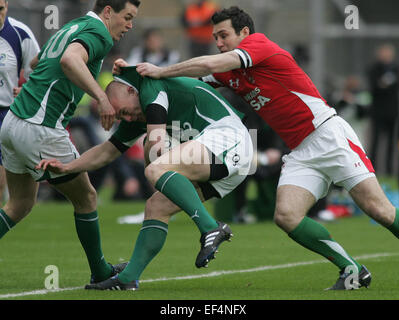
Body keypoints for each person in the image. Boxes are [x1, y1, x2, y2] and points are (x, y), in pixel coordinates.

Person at [122, 6, 399, 290]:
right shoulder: (229, 72)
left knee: (380, 211)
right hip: (301, 151)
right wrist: (130, 75)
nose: (219, 42)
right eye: (215, 37)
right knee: (286, 216)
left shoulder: (258, 44)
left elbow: (206, 65)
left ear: (244, 33)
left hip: (328, 135)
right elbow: (185, 82)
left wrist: (160, 70)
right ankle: (352, 270)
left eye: (224, 35)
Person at [36, 66, 254, 290]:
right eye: (122, 117)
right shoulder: (139, 113)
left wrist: (154, 159)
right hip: (231, 161)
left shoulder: (150, 87)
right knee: (156, 206)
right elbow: (106, 152)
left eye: (124, 111)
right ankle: (128, 278)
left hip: (230, 139)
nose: (128, 118)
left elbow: (156, 146)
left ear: (131, 91)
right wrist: (67, 166)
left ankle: (210, 227)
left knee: (154, 167)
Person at [0, 0, 140, 285]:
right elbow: (68, 60)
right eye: (127, 17)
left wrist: (33, 83)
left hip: (12, 122)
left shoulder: (72, 25)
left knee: (20, 203)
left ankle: (101, 269)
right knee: (87, 197)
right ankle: (101, 272)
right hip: (41, 127)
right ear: (108, 11)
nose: (130, 25)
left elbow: (40, 62)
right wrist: (102, 99)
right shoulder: (98, 34)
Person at [0, 0, 40, 202]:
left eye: (0, 9)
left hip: (4, 115)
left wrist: (26, 89)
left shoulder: (19, 33)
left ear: (6, 5)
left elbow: (41, 73)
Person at [367, 44, 399, 175]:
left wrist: (385, 85)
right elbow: (375, 86)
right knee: (375, 142)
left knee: (391, 142)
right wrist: (385, 85)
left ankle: (389, 171)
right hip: (377, 111)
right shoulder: (374, 69)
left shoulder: (398, 68)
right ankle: (372, 170)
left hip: (392, 111)